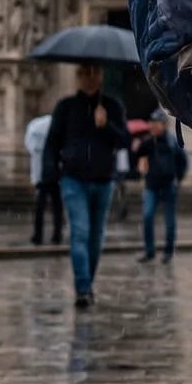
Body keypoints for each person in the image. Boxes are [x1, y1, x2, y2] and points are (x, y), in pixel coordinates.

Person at [42, 63, 128, 309]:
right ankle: (83, 288)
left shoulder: (112, 106)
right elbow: (52, 143)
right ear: (77, 77)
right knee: (80, 232)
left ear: (101, 76)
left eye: (94, 72)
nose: (89, 78)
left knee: (95, 238)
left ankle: (87, 284)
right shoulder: (66, 107)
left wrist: (106, 125)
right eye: (84, 73)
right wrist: (50, 174)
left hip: (103, 180)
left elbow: (124, 141)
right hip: (73, 180)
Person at [137, 110, 188, 263]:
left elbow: (182, 161)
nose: (152, 126)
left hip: (168, 186)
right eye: (151, 123)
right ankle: (149, 251)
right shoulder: (148, 142)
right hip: (151, 185)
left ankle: (168, 252)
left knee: (170, 222)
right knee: (147, 216)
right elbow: (138, 155)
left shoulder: (172, 142)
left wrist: (178, 179)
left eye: (155, 123)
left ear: (164, 125)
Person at [24, 112, 63, 247]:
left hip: (42, 177)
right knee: (57, 206)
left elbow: (32, 151)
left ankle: (38, 235)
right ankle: (57, 234)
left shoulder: (36, 129)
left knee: (40, 207)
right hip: (56, 175)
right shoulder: (58, 129)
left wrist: (34, 178)